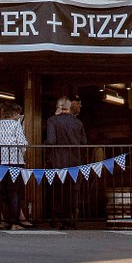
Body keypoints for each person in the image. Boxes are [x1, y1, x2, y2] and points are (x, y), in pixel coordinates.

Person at [44, 95, 87, 229]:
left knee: (57, 191)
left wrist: (44, 145)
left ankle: (57, 219)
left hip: (57, 161)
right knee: (72, 191)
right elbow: (84, 142)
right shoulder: (78, 123)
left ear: (59, 107)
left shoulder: (52, 120)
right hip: (74, 160)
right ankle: (70, 219)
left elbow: (51, 141)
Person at [0, 102, 28, 230]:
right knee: (14, 192)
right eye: (18, 114)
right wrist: (23, 152)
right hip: (14, 161)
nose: (19, 116)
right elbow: (22, 143)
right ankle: (14, 223)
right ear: (13, 114)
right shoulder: (16, 124)